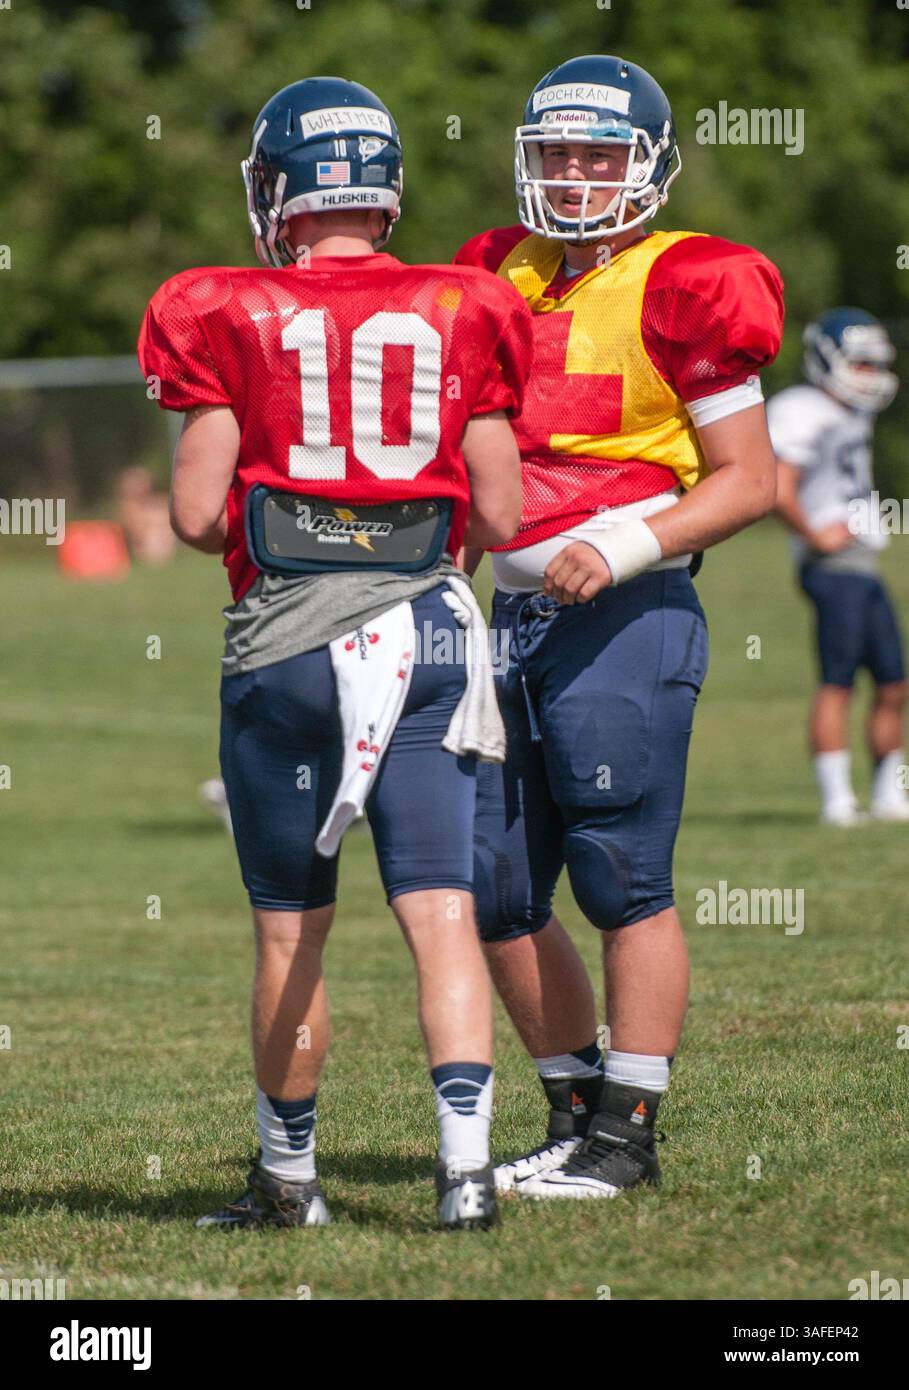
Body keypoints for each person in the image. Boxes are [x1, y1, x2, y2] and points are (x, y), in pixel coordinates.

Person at [138, 77, 532, 1229]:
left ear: (278, 191)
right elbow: (502, 518)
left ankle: (290, 1182)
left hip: (294, 645)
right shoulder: (466, 305)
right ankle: (464, 1180)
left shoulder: (223, 307)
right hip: (430, 636)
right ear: (386, 188)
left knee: (289, 926)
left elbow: (200, 514)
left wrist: (310, 507)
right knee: (442, 910)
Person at [454, 54, 784, 1198]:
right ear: (527, 155)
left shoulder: (689, 279)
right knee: (491, 881)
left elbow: (749, 479)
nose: (579, 173)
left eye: (602, 153)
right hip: (506, 611)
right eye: (559, 151)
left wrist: (628, 543)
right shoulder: (493, 269)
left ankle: (627, 1136)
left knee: (616, 868)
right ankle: (576, 1111)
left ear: (648, 163)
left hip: (628, 607)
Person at [768, 308, 907, 825]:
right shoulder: (801, 407)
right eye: (861, 363)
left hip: (863, 562)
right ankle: (838, 801)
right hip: (831, 564)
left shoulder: (853, 411)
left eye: (875, 364)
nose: (870, 374)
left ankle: (890, 796)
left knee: (894, 682)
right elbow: (779, 488)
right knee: (839, 679)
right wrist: (814, 534)